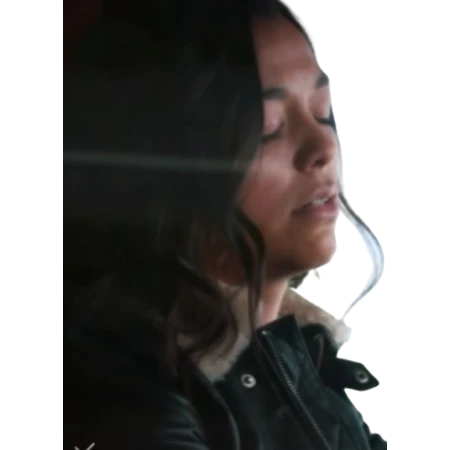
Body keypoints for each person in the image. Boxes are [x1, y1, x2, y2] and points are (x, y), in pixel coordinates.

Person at [58, 1, 388, 449]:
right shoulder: (127, 399)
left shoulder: (302, 357)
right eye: (270, 127)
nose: (323, 146)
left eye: (323, 111)